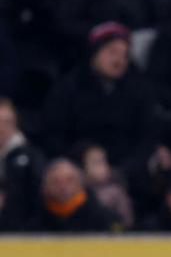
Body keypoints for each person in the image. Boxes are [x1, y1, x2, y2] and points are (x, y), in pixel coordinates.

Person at [40, 22, 156, 181]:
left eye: (125, 55)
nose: (119, 60)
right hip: (77, 172)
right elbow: (54, 136)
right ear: (94, 53)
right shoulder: (68, 88)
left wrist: (122, 171)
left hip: (126, 173)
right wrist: (81, 160)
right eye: (112, 52)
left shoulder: (139, 89)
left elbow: (147, 139)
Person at [30, 157, 121, 233]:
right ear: (46, 187)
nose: (63, 187)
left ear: (80, 183)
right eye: (55, 181)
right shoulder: (34, 223)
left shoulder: (104, 219)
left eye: (69, 180)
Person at [0, 98, 44, 231]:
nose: (1, 128)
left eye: (6, 122)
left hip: (21, 234)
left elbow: (37, 200)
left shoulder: (31, 157)